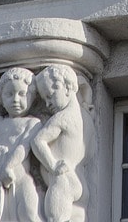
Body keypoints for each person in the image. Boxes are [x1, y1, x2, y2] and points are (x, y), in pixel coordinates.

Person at [0, 68, 44, 222]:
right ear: (0, 98)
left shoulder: (33, 123)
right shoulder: (0, 123)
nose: (15, 100)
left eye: (22, 94)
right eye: (9, 94)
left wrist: (9, 166)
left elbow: (23, 147)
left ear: (32, 96)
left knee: (29, 213)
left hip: (19, 175)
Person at [32, 64, 93, 222]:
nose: (47, 103)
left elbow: (38, 140)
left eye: (50, 95)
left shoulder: (62, 118)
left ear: (65, 87)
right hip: (73, 179)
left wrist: (53, 166)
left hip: (63, 181)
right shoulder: (83, 115)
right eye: (45, 99)